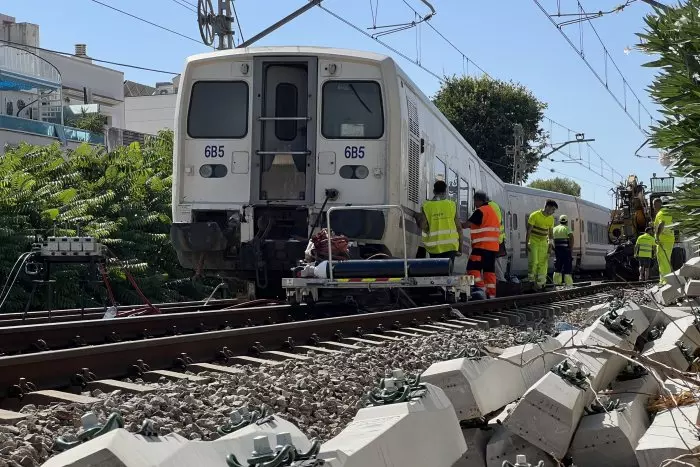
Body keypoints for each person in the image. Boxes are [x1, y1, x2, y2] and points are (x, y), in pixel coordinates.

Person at [415, 180, 463, 259]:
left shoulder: (426, 206)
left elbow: (422, 225)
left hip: (434, 247)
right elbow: (459, 228)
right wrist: (460, 248)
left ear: (434, 191)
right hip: (450, 246)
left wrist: (416, 216)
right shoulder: (452, 205)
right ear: (445, 191)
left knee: (436, 270)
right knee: (447, 271)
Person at [467, 191, 501, 298]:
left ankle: (480, 288)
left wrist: (456, 222)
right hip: (492, 248)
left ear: (478, 200)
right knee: (489, 272)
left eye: (475, 201)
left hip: (481, 246)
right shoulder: (492, 211)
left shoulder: (480, 211)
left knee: (472, 268)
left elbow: (467, 224)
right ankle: (491, 295)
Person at [526, 199, 558, 290]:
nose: (553, 212)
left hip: (544, 242)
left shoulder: (551, 219)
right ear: (547, 207)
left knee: (543, 264)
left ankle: (541, 284)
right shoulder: (534, 215)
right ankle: (531, 281)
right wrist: (527, 243)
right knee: (534, 262)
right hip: (534, 241)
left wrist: (550, 246)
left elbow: (551, 234)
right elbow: (528, 231)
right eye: (553, 209)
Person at [486, 196, 507, 282]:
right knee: (496, 262)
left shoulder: (490, 206)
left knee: (495, 263)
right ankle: (499, 280)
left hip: (494, 240)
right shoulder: (495, 205)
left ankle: (501, 281)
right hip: (498, 239)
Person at [653, 197, 674, 284]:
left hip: (663, 240)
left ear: (656, 204)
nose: (653, 207)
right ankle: (666, 280)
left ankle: (664, 281)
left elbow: (662, 224)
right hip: (669, 240)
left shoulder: (661, 213)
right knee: (666, 261)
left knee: (662, 261)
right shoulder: (668, 212)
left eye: (654, 205)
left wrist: (657, 236)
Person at [552, 214, 574, 286]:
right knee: (567, 267)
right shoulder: (567, 228)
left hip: (557, 250)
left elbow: (550, 239)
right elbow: (571, 237)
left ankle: (556, 283)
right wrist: (570, 248)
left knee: (557, 266)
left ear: (559, 221)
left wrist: (553, 248)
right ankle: (568, 283)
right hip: (566, 251)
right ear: (566, 221)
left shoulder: (554, 229)